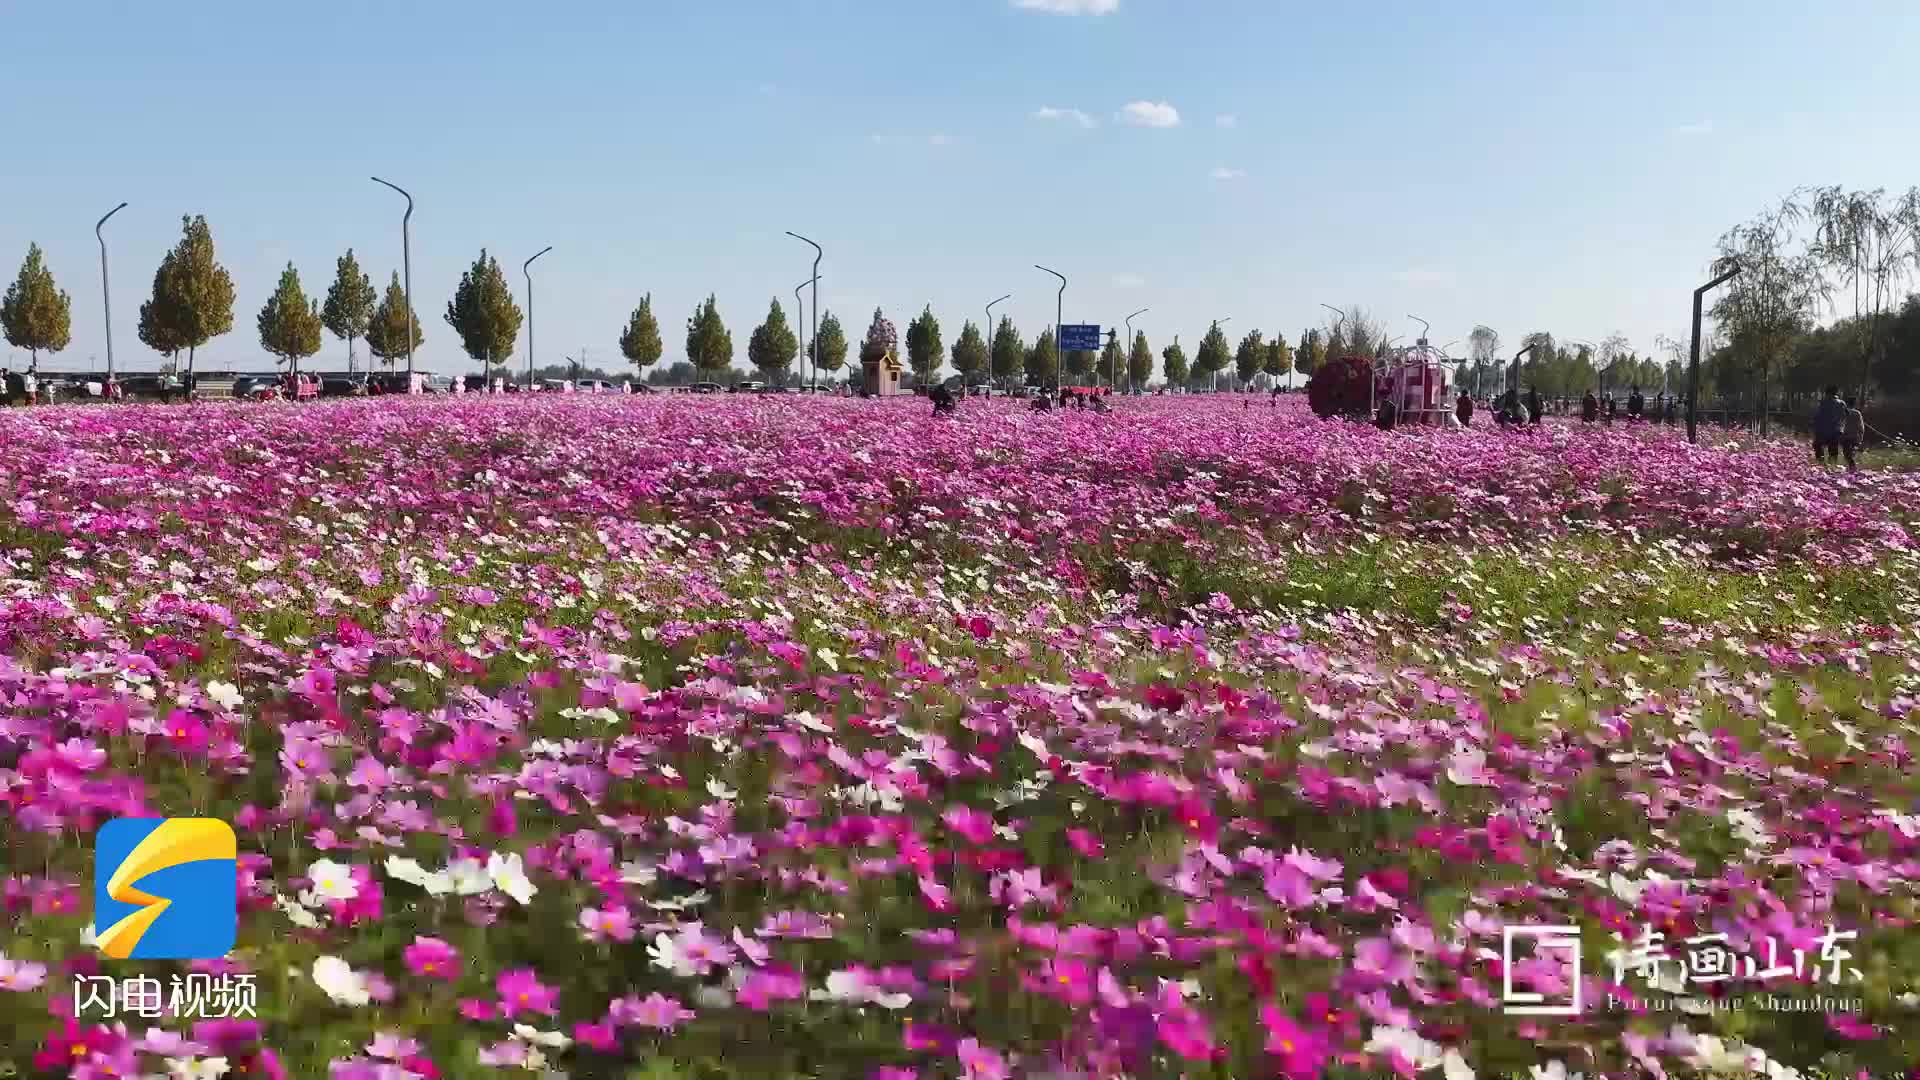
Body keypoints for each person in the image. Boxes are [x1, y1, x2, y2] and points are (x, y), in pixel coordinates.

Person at [1812, 385, 1846, 464]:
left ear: (1827, 393)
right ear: (1836, 393)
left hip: (1822, 430)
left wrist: (1814, 426)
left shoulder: (1822, 403)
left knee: (1818, 447)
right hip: (1835, 431)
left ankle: (1820, 464)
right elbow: (1844, 416)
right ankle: (1832, 467)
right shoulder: (1841, 403)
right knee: (1833, 451)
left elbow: (1816, 416)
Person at [1842, 396, 1864, 471]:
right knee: (1851, 453)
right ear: (1854, 404)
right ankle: (1851, 468)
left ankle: (1852, 467)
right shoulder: (1858, 413)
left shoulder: (1843, 412)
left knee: (1847, 453)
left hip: (1846, 436)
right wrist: (1861, 437)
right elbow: (1861, 427)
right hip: (1855, 436)